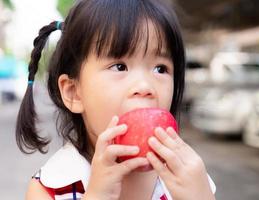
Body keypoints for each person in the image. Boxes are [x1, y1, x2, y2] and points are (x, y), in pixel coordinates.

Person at [16, 0, 216, 199]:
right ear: (74, 93)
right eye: (119, 66)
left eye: (160, 69)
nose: (145, 87)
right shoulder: (51, 187)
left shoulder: (188, 180)